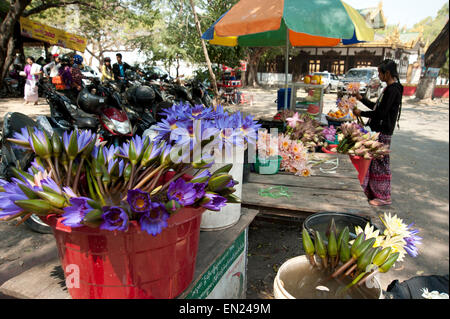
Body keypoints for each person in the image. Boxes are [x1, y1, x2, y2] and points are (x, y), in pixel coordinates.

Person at [353, 59, 404, 207]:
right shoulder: (388, 89)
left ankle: (383, 196)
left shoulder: (393, 90)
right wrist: (361, 99)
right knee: (372, 162)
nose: (379, 76)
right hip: (378, 130)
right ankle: (372, 192)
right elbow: (377, 107)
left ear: (387, 73)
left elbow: (380, 113)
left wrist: (360, 112)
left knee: (381, 164)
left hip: (383, 131)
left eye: (380, 73)